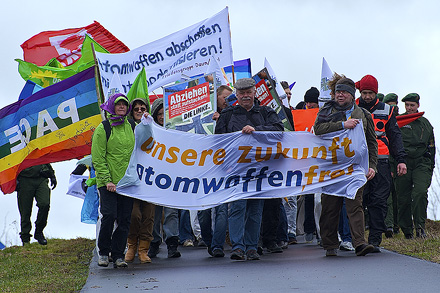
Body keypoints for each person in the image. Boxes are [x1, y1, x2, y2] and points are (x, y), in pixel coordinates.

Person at [215, 78, 284, 260]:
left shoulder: (266, 112)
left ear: (254, 93)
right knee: (237, 208)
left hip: (259, 170)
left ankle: (252, 247)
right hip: (236, 170)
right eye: (242, 93)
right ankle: (238, 247)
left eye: (248, 92)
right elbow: (218, 141)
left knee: (255, 210)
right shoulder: (227, 114)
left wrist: (256, 129)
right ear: (236, 95)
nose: (245, 96)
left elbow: (279, 130)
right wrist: (225, 166)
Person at [314, 77, 377, 257]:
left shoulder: (364, 114)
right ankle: (330, 245)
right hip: (332, 168)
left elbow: (372, 143)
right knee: (330, 207)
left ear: (352, 95)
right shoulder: (326, 111)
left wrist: (372, 166)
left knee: (355, 204)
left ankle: (359, 243)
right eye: (338, 92)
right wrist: (342, 125)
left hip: (355, 168)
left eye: (344, 92)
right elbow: (318, 129)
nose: (340, 95)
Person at [356, 75, 407, 252]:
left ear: (376, 93)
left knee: (379, 200)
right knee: (359, 200)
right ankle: (358, 239)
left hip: (382, 161)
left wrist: (400, 160)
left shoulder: (387, 110)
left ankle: (375, 239)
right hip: (359, 161)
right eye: (364, 93)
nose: (367, 96)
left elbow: (394, 136)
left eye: (370, 93)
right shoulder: (352, 107)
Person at [92, 93, 135, 268]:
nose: (122, 107)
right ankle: (103, 252)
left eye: (125, 104)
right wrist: (107, 180)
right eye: (118, 104)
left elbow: (146, 142)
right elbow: (98, 157)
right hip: (108, 183)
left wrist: (148, 122)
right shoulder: (103, 128)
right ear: (111, 107)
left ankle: (118, 255)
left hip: (127, 182)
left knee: (125, 220)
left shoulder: (132, 125)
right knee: (109, 216)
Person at [395, 93, 435, 239]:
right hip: (403, 162)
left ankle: (420, 227)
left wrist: (431, 167)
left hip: (421, 163)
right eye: (407, 105)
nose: (410, 108)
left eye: (412, 105)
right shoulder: (398, 122)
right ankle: (407, 230)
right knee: (403, 197)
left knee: (420, 192)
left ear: (418, 105)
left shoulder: (425, 124)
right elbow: (393, 145)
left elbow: (431, 147)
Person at [148, 98, 182, 258]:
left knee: (171, 212)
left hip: (171, 177)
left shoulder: (176, 130)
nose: (162, 117)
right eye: (159, 114)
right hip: (154, 177)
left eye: (165, 113)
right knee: (154, 213)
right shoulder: (150, 130)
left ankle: (172, 244)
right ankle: (154, 242)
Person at [125, 98, 156, 264]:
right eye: (135, 108)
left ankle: (143, 250)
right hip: (132, 179)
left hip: (151, 180)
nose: (139, 110)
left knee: (148, 216)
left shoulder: (156, 128)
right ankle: (131, 245)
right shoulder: (126, 128)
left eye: (142, 108)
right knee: (134, 214)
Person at [16, 164, 57, 246]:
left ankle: (39, 231)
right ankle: (25, 239)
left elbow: (44, 157)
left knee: (44, 204)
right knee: (25, 212)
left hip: (41, 178)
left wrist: (52, 175)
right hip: (24, 179)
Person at [383, 92, 400, 237]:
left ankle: (396, 225)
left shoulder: (399, 121)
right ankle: (388, 225)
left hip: (398, 164)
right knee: (386, 197)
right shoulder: (384, 120)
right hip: (386, 164)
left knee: (398, 198)